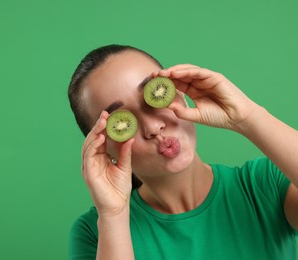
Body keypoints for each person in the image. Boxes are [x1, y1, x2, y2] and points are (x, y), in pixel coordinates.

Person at [67, 44, 298, 260]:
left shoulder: (264, 185)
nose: (153, 127)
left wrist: (247, 117)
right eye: (123, 122)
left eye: (154, 98)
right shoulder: (95, 232)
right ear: (103, 148)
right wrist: (114, 216)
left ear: (180, 94)